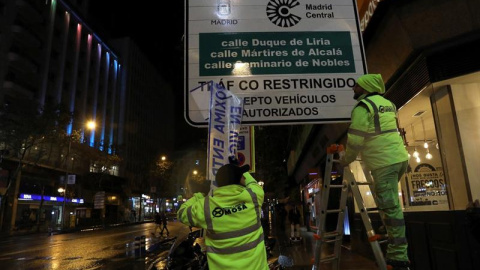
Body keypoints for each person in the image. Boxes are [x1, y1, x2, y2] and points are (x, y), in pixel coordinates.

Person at [339, 74, 410, 270]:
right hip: (399, 159)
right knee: (387, 202)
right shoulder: (388, 104)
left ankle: (398, 256)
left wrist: (346, 159)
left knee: (391, 207)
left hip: (383, 162)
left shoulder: (363, 107)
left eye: (357, 86)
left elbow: (355, 140)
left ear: (366, 87)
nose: (353, 89)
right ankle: (389, 231)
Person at [177, 161, 268, 270]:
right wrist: (238, 167)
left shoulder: (206, 206)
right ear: (240, 180)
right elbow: (252, 183)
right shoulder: (253, 196)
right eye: (242, 176)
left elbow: (181, 213)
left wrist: (200, 195)